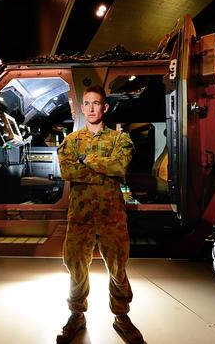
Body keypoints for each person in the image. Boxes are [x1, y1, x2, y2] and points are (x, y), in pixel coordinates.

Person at [56, 85, 143, 344]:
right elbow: (68, 172)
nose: (92, 108)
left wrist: (86, 160)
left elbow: (119, 166)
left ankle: (122, 316)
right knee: (75, 267)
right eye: (87, 103)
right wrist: (103, 170)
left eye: (97, 103)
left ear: (105, 107)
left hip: (111, 216)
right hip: (81, 216)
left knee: (117, 268)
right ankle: (76, 315)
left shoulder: (119, 140)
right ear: (82, 107)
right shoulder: (71, 142)